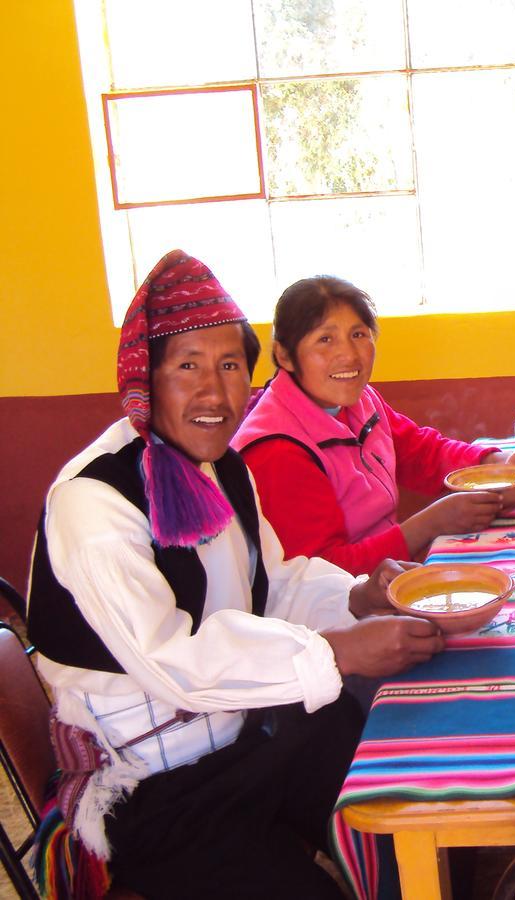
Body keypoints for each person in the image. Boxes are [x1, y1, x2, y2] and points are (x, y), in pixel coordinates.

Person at [27, 250, 444, 899]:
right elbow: (173, 660)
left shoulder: (222, 469)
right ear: (145, 379)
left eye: (228, 366)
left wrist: (360, 597)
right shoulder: (95, 500)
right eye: (187, 366)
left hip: (245, 740)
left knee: (388, 792)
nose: (215, 393)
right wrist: (337, 650)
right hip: (156, 792)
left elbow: (272, 585)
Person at [233, 276, 515, 576]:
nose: (348, 355)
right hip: (330, 614)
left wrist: (500, 467)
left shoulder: (358, 402)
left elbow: (421, 451)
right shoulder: (276, 450)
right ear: (284, 356)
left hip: (386, 574)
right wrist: (428, 524)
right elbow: (319, 574)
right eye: (325, 339)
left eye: (359, 335)